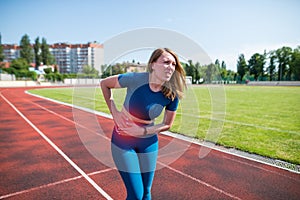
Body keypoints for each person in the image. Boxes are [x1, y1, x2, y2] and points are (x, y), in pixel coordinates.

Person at [100, 48, 186, 200]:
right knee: (136, 195)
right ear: (153, 64)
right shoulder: (135, 79)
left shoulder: (172, 94)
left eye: (173, 64)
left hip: (149, 141)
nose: (171, 67)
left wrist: (143, 132)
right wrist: (115, 113)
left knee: (146, 193)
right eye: (166, 62)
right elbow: (104, 84)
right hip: (123, 140)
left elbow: (167, 124)